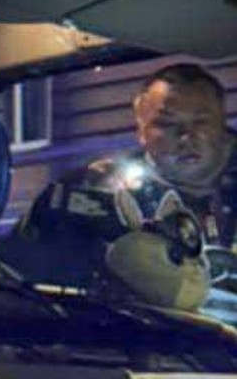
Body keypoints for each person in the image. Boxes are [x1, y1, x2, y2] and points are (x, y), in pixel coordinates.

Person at [18, 63, 237, 308]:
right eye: (166, 123)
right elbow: (19, 273)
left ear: (221, 123)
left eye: (201, 122)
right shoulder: (90, 191)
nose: (186, 136)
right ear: (141, 131)